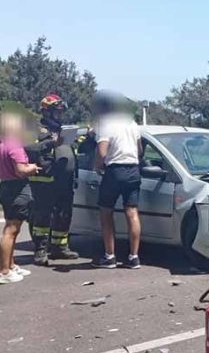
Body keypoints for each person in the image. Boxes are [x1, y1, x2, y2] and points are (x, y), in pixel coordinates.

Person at [24, 94, 80, 266]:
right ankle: (40, 250)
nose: (59, 114)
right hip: (45, 179)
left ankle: (59, 247)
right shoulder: (36, 128)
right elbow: (30, 148)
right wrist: (51, 142)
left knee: (64, 214)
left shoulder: (61, 128)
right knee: (43, 215)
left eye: (61, 111)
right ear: (47, 111)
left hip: (65, 179)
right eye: (57, 110)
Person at [90, 90, 143, 269]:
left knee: (106, 212)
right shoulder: (132, 124)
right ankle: (134, 256)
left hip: (115, 170)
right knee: (132, 212)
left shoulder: (106, 124)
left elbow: (102, 152)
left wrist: (98, 167)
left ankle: (109, 255)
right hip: (133, 169)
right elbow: (140, 150)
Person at [0, 113, 40, 284]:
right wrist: (33, 167)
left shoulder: (2, 144)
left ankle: (11, 264)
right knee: (11, 230)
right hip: (17, 187)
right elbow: (21, 170)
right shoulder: (14, 146)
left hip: (5, 185)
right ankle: (4, 271)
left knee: (13, 229)